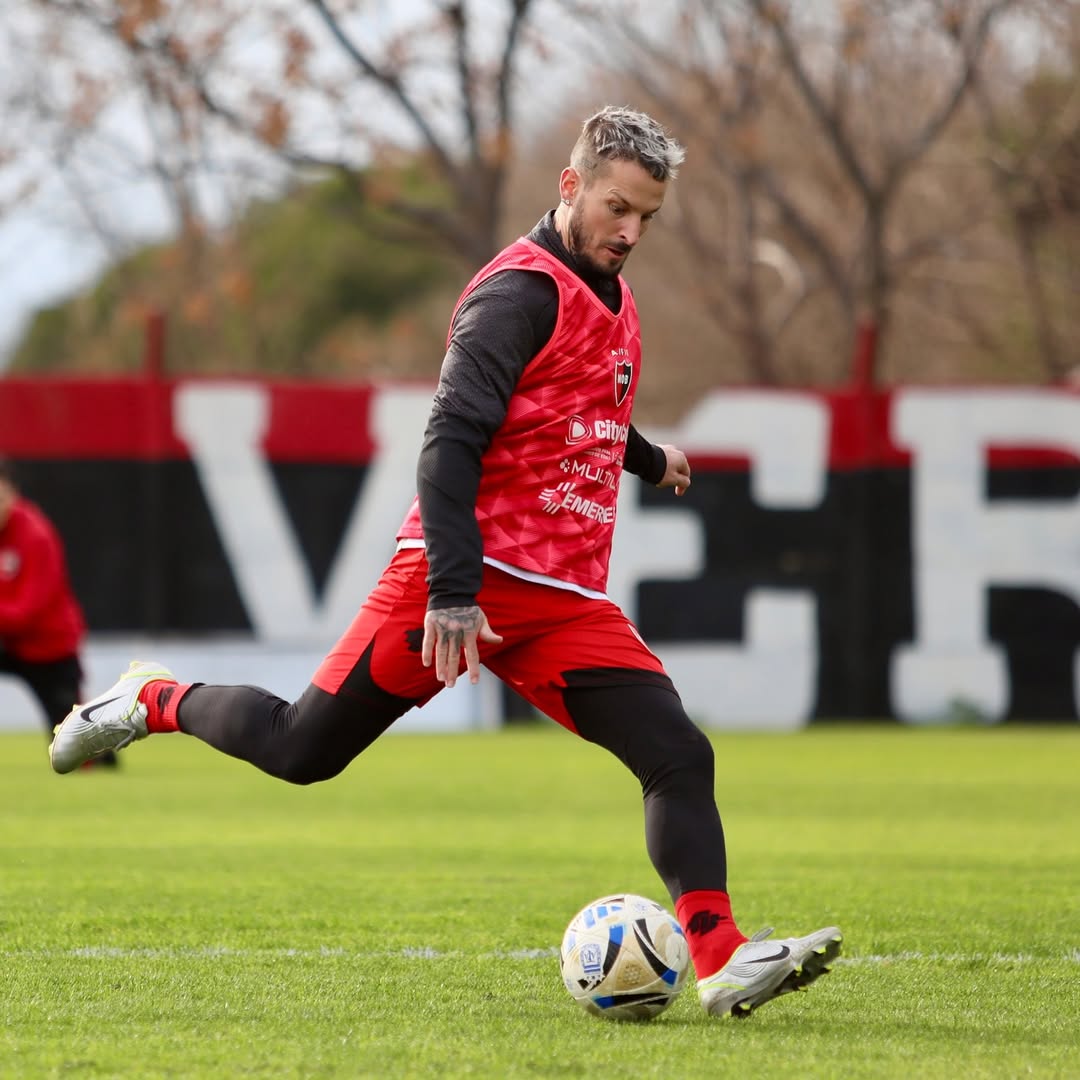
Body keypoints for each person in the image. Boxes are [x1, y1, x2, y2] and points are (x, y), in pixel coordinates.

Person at [49, 106, 841, 1015]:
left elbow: (573, 411)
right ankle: (151, 701)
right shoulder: (515, 293)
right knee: (301, 750)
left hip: (562, 604)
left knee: (676, 753)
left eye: (647, 218)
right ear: (570, 186)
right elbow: (450, 441)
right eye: (617, 208)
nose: (630, 232)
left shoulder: (613, 299)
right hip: (455, 581)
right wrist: (455, 593)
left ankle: (723, 958)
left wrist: (647, 455)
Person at [0, 458, 115, 768]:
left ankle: (103, 758)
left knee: (72, 746)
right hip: (6, 641)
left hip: (47, 648)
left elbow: (28, 612)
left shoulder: (36, 535)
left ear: (13, 492)